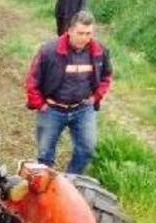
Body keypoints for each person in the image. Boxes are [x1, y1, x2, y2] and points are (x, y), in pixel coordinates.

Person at [25, 10, 112, 174]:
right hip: (52, 110)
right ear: (70, 31)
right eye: (80, 33)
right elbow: (32, 80)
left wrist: (96, 97)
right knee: (45, 154)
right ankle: (44, 187)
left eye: (88, 34)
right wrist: (40, 104)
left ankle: (71, 181)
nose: (84, 38)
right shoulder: (49, 51)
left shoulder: (99, 51)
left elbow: (107, 76)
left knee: (87, 149)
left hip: (83, 109)